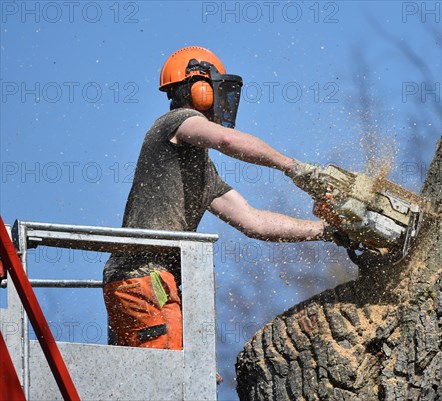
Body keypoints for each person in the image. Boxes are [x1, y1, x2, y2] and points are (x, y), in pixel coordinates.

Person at [102, 46, 334, 353]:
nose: (223, 103)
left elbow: (255, 222)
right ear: (200, 90)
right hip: (144, 277)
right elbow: (225, 139)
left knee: (173, 372)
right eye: (218, 91)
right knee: (170, 372)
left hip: (152, 282)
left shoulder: (201, 172)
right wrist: (293, 167)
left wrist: (326, 231)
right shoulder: (174, 121)